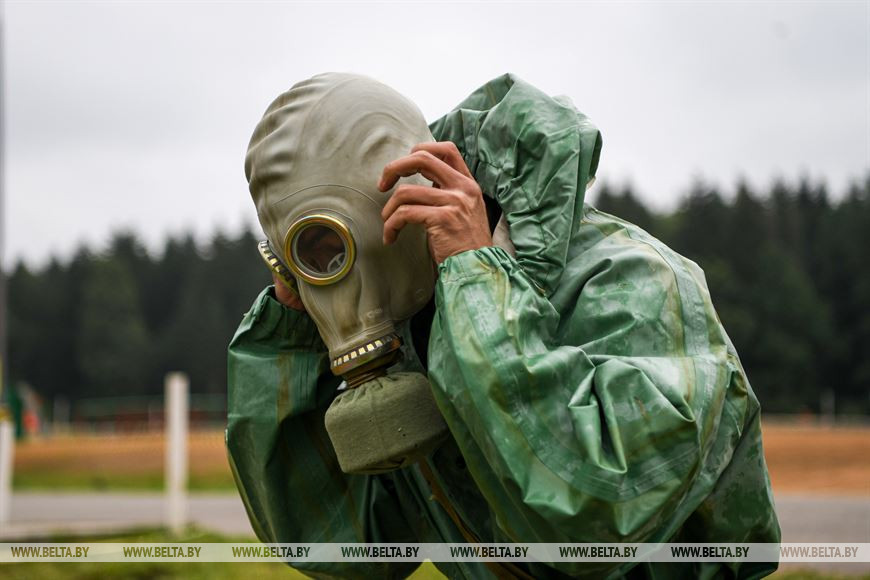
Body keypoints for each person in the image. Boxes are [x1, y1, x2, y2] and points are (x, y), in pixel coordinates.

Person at [226, 72, 780, 579]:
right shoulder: (413, 331)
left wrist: (477, 285)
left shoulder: (632, 281)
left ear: (412, 190)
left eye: (334, 247)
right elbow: (348, 547)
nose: (333, 282)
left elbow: (597, 513)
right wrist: (290, 333)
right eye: (306, 257)